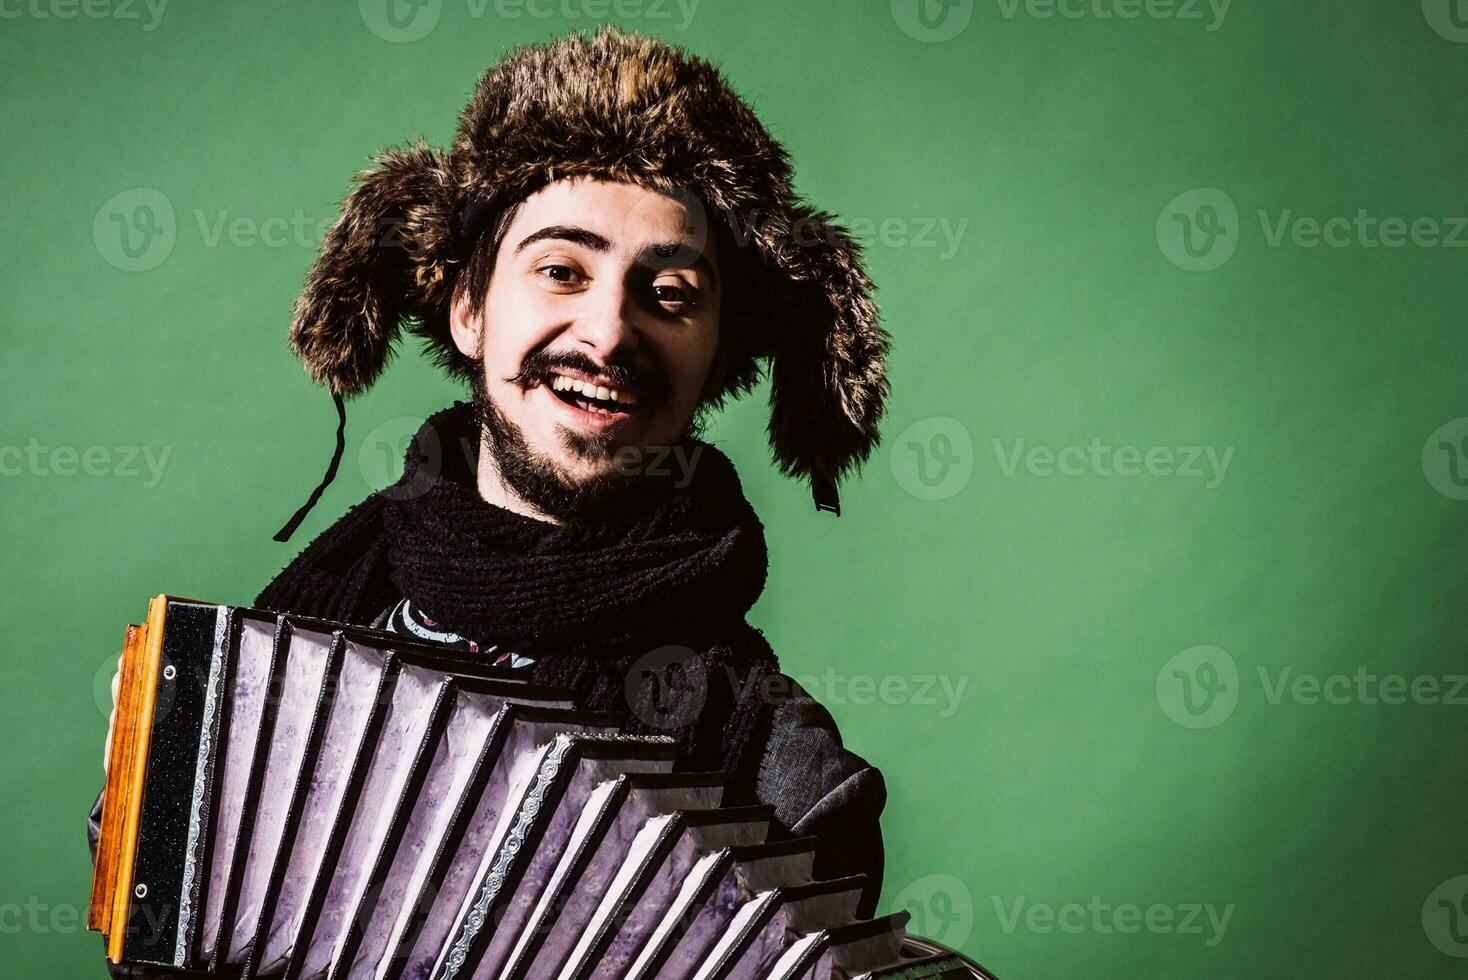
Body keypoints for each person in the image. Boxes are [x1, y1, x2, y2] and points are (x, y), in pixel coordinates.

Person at [90, 24, 893, 972]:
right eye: (561, 269)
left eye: (668, 294)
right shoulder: (276, 662)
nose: (607, 332)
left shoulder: (784, 783)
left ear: (716, 355)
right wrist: (147, 810)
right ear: (468, 309)